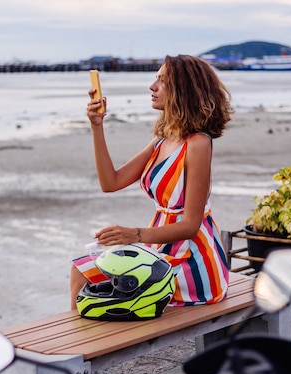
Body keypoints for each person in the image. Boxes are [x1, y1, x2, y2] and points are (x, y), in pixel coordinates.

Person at [70, 54, 232, 310]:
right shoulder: (162, 141)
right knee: (82, 271)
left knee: (87, 277)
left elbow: (190, 225)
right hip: (160, 250)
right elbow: (110, 182)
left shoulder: (198, 144)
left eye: (163, 81)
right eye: (155, 78)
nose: (152, 86)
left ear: (184, 90)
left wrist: (132, 235)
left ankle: (86, 347)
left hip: (193, 264)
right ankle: (82, 346)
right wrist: (97, 126)